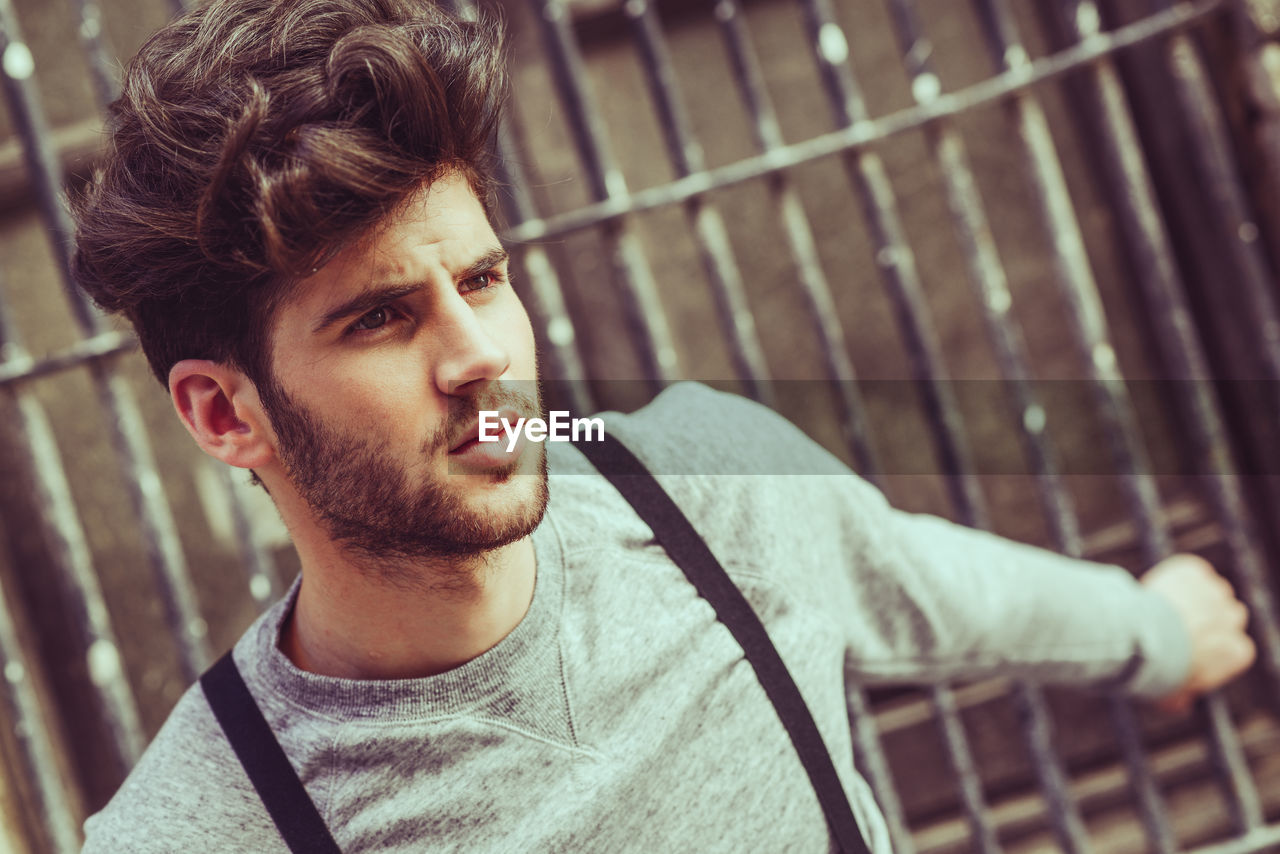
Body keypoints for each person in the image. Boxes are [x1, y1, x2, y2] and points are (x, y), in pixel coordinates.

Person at [70, 0, 1254, 851]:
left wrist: (1157, 629)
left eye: (480, 280)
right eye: (381, 317)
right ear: (226, 412)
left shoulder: (701, 485)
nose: (479, 352)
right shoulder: (208, 825)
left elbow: (927, 579)